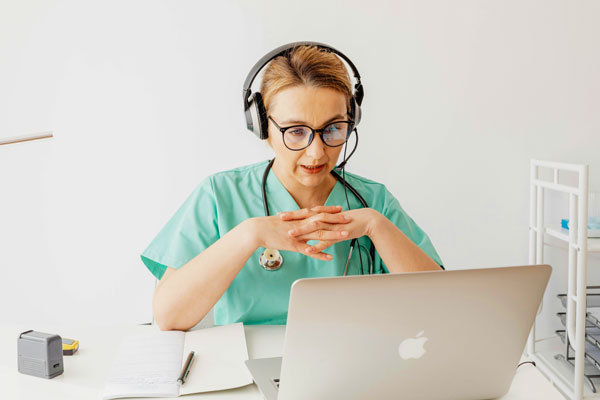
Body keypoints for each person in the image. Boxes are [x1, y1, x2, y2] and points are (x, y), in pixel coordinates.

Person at [141, 42, 444, 331]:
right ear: (262, 126)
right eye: (296, 131)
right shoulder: (219, 196)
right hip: (249, 371)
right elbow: (169, 317)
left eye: (333, 129)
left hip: (353, 366)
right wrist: (249, 235)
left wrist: (377, 227)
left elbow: (441, 306)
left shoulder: (373, 201)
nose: (316, 152)